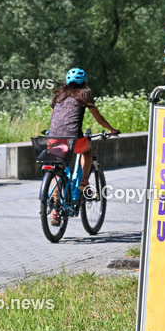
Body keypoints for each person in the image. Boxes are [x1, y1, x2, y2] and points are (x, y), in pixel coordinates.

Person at [46, 68, 119, 224]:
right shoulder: (84, 96)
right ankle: (84, 181)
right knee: (88, 150)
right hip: (73, 137)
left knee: (57, 172)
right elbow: (99, 119)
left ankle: (54, 212)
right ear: (84, 82)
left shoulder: (58, 96)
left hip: (53, 137)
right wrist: (111, 130)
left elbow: (54, 118)